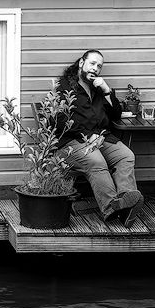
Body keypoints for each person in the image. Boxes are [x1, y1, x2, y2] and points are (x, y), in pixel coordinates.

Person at [55, 49, 143, 227]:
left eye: (99, 66)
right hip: (72, 143)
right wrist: (87, 135)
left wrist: (106, 90)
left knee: (126, 156)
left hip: (101, 139)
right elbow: (60, 121)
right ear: (81, 63)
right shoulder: (65, 87)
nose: (95, 68)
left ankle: (127, 202)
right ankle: (111, 207)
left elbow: (116, 113)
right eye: (92, 63)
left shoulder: (97, 88)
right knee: (97, 162)